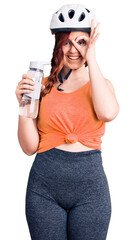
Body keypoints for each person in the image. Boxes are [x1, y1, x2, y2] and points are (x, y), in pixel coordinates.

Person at [15, 4, 120, 240]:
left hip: (90, 192)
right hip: (43, 190)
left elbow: (108, 113)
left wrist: (91, 59)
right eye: (66, 42)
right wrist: (23, 105)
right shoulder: (41, 86)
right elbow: (29, 147)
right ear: (57, 44)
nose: (73, 50)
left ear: (91, 44)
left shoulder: (101, 85)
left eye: (81, 42)